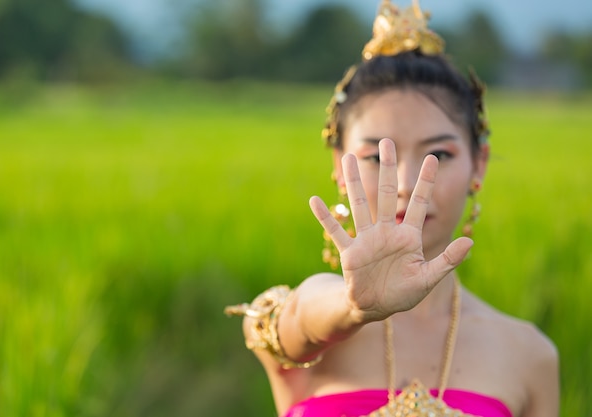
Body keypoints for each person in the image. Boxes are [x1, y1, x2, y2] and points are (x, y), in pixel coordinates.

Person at [225, 1, 560, 416]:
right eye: (375, 158)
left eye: (438, 153)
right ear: (339, 166)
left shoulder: (528, 355)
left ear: (479, 163)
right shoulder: (319, 326)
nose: (404, 184)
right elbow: (300, 319)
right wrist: (351, 308)